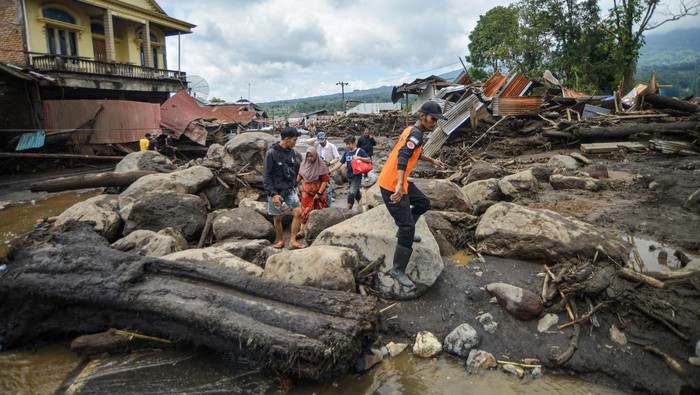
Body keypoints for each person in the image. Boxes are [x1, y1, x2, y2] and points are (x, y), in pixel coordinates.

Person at [377, 101, 447, 287]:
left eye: (436, 120)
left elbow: (413, 152)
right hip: (392, 185)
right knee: (408, 227)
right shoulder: (415, 133)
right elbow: (402, 156)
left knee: (423, 203)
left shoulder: (413, 131)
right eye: (433, 119)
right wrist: (400, 184)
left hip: (397, 181)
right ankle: (397, 269)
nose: (435, 123)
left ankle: (404, 232)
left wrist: (432, 160)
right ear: (422, 116)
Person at [263, 126, 305, 249]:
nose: (295, 142)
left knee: (298, 213)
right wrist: (273, 194)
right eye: (294, 140)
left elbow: (293, 170)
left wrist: (296, 184)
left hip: (289, 188)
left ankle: (292, 240)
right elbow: (266, 175)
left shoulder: (291, 152)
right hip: (275, 191)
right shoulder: (271, 153)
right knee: (277, 217)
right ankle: (281, 240)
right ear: (286, 139)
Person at [296, 146, 330, 239]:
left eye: (311, 156)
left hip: (318, 193)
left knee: (318, 210)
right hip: (306, 192)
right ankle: (302, 230)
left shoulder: (321, 166)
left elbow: (325, 180)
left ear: (315, 156)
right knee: (305, 209)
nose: (309, 158)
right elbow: (300, 176)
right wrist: (295, 185)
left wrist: (319, 193)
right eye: (308, 156)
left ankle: (319, 230)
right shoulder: (304, 164)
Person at [329, 135, 370, 210]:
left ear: (354, 143)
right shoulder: (346, 153)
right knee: (357, 194)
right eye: (346, 144)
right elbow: (340, 163)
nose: (347, 145)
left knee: (351, 194)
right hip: (349, 177)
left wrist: (359, 158)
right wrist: (331, 170)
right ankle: (364, 208)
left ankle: (347, 211)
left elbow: (369, 160)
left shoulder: (360, 151)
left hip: (357, 177)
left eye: (349, 144)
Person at [314, 130, 341, 207]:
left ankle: (328, 206)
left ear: (325, 138)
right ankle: (322, 205)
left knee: (328, 190)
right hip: (320, 171)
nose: (321, 143)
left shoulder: (332, 146)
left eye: (322, 141)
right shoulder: (318, 147)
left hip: (329, 171)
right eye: (320, 142)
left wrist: (329, 163)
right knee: (321, 189)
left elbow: (337, 158)